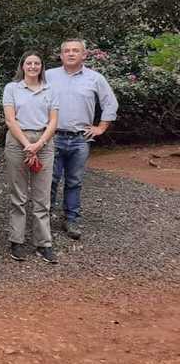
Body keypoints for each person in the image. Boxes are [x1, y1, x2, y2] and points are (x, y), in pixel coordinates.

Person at [47, 38, 119, 240]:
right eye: (67, 51)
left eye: (75, 50)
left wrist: (101, 127)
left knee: (74, 181)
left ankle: (71, 219)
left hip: (81, 139)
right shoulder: (48, 76)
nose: (71, 54)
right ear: (61, 55)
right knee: (49, 180)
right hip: (53, 136)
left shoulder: (95, 78)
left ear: (84, 55)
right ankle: (43, 218)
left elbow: (110, 103)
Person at [3, 51, 60, 263]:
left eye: (37, 63)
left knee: (42, 196)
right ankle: (16, 241)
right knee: (18, 195)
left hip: (43, 142)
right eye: (29, 63)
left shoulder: (50, 90)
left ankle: (43, 243)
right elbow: (10, 120)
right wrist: (28, 145)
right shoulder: (12, 88)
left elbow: (53, 121)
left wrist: (39, 144)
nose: (33, 66)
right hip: (18, 142)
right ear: (22, 65)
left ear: (41, 66)